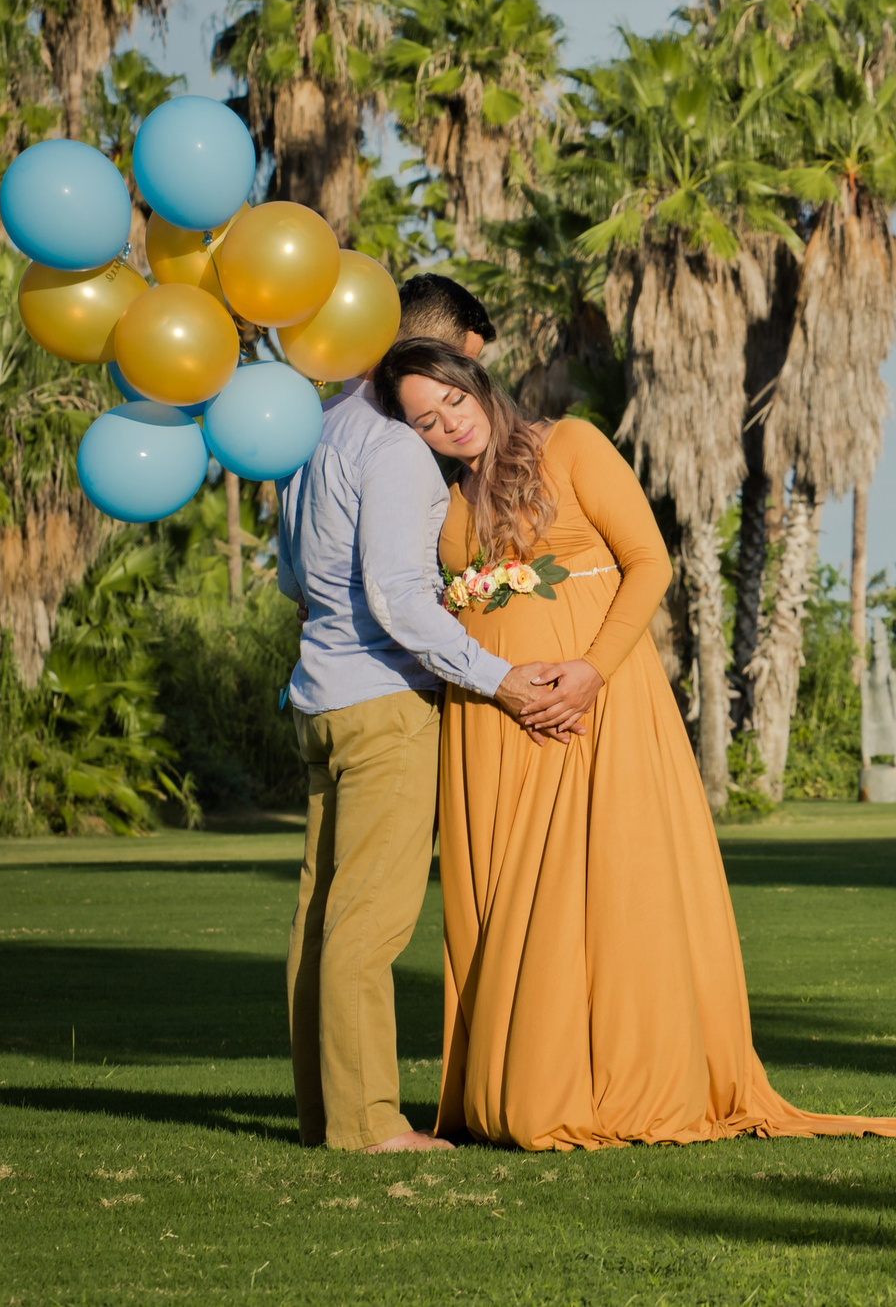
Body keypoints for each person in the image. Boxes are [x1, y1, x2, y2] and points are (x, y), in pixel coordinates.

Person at [370, 335, 896, 1149]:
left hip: (595, 707)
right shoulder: (447, 504)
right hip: (495, 728)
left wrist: (589, 672)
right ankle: (510, 1079)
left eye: (453, 403)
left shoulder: (569, 444)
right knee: (508, 898)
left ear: (478, 384)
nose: (449, 426)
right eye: (426, 422)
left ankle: (594, 1081)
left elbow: (649, 563)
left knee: (603, 887)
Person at [274, 276, 576, 1154]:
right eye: (459, 370)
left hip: (319, 698)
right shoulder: (399, 449)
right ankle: (368, 1125)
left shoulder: (316, 428)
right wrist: (501, 678)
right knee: (368, 923)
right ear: (430, 344)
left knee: (321, 917)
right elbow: (402, 601)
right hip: (383, 704)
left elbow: (294, 582)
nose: (461, 399)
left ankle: (322, 1111)